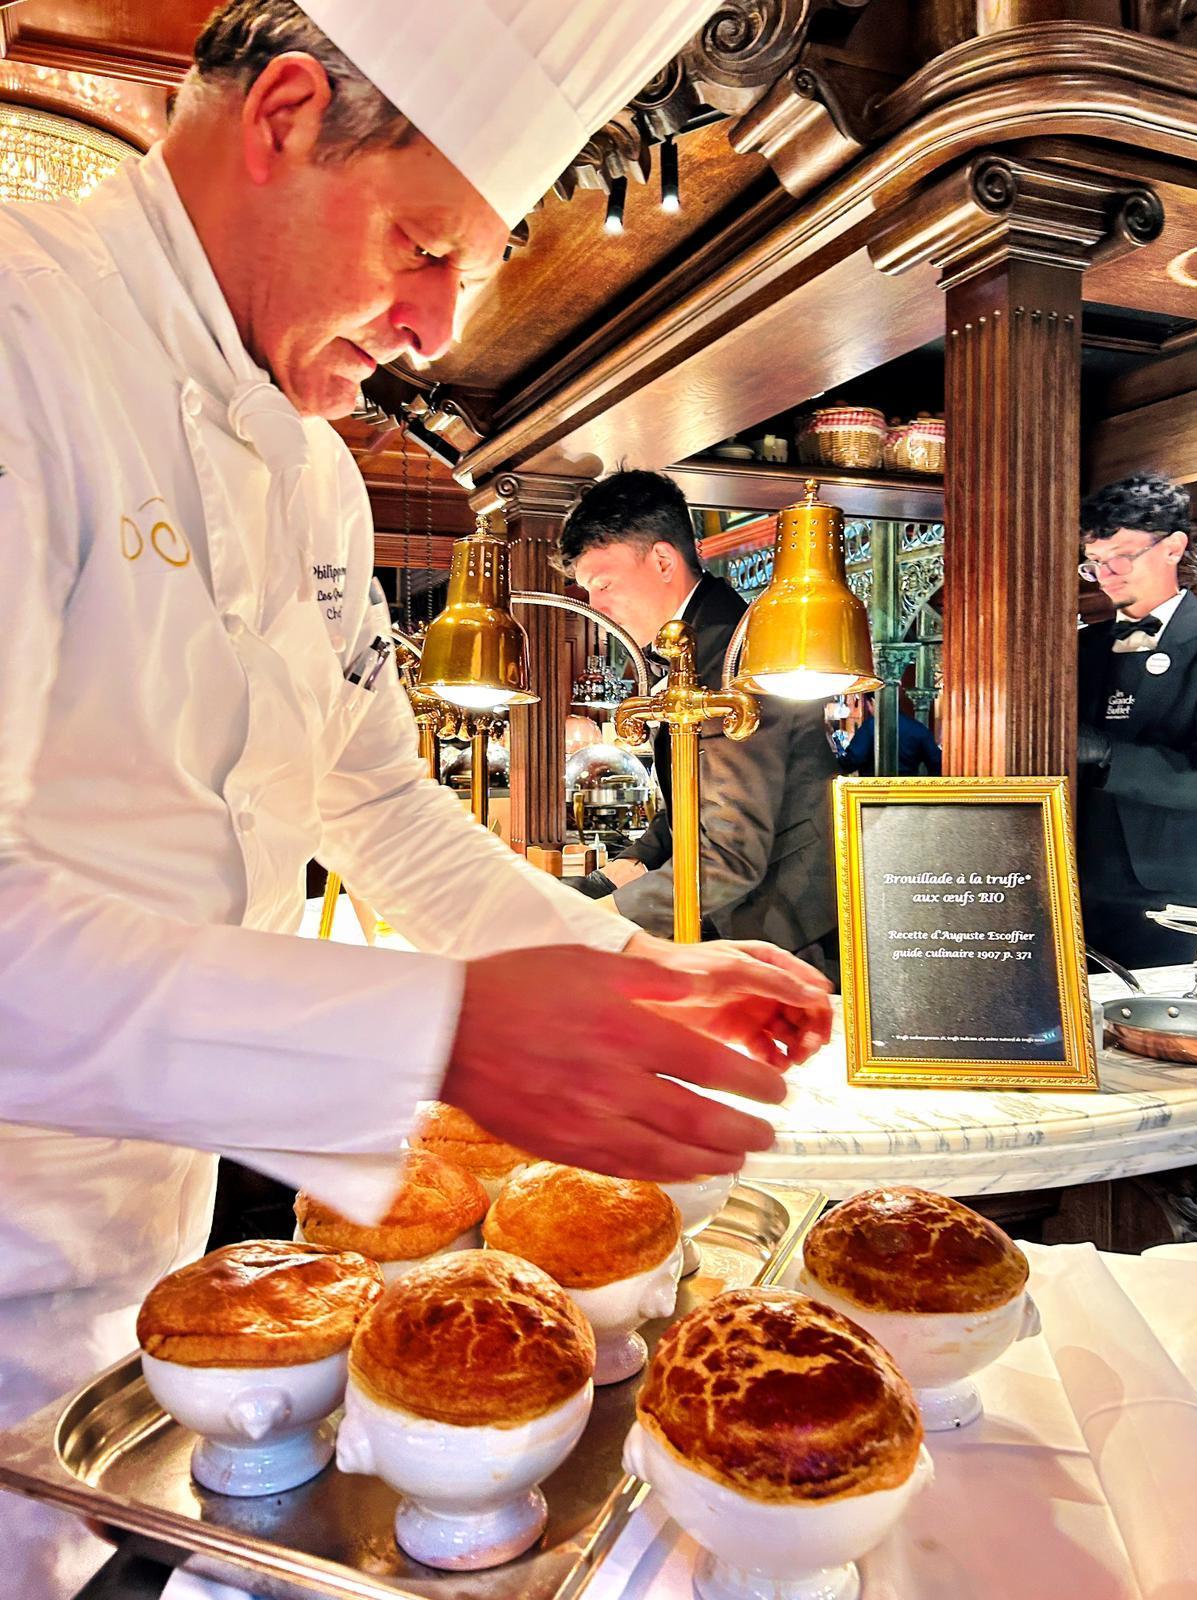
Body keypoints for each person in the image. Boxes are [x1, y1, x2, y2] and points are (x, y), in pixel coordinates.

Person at [0, 4, 833, 1591]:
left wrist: (626, 970)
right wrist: (440, 1031)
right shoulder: (17, 334)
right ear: (287, 116)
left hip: (141, 1306)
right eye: (425, 243)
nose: (439, 327)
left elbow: (376, 804)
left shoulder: (313, 470)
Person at [558, 470, 838, 968]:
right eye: (586, 590)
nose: (595, 606)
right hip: (753, 922)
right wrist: (618, 872)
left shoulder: (732, 654)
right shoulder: (697, 641)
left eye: (603, 584)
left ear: (663, 559)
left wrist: (600, 923)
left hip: (791, 934)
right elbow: (693, 806)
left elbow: (729, 856)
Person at [1076, 472, 1197, 969]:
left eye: (1122, 557)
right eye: (1094, 564)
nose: (1108, 576)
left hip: (1174, 901)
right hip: (1075, 889)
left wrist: (1108, 756)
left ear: (1173, 547)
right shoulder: (1079, 650)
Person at [836, 693, 942, 777]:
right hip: (908, 793)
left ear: (873, 701)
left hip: (874, 793)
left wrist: (838, 750)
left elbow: (852, 761)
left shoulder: (871, 726)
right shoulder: (918, 728)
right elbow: (937, 763)